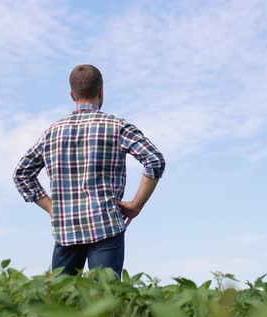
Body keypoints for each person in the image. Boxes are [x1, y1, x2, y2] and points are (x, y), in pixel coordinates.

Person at [13, 64, 165, 277]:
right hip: (106, 226)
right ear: (101, 91)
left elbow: (22, 173)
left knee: (59, 303)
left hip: (66, 230)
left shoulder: (51, 133)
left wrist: (51, 207)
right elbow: (155, 160)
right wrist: (136, 205)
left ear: (71, 95)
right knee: (105, 299)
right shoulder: (116, 126)